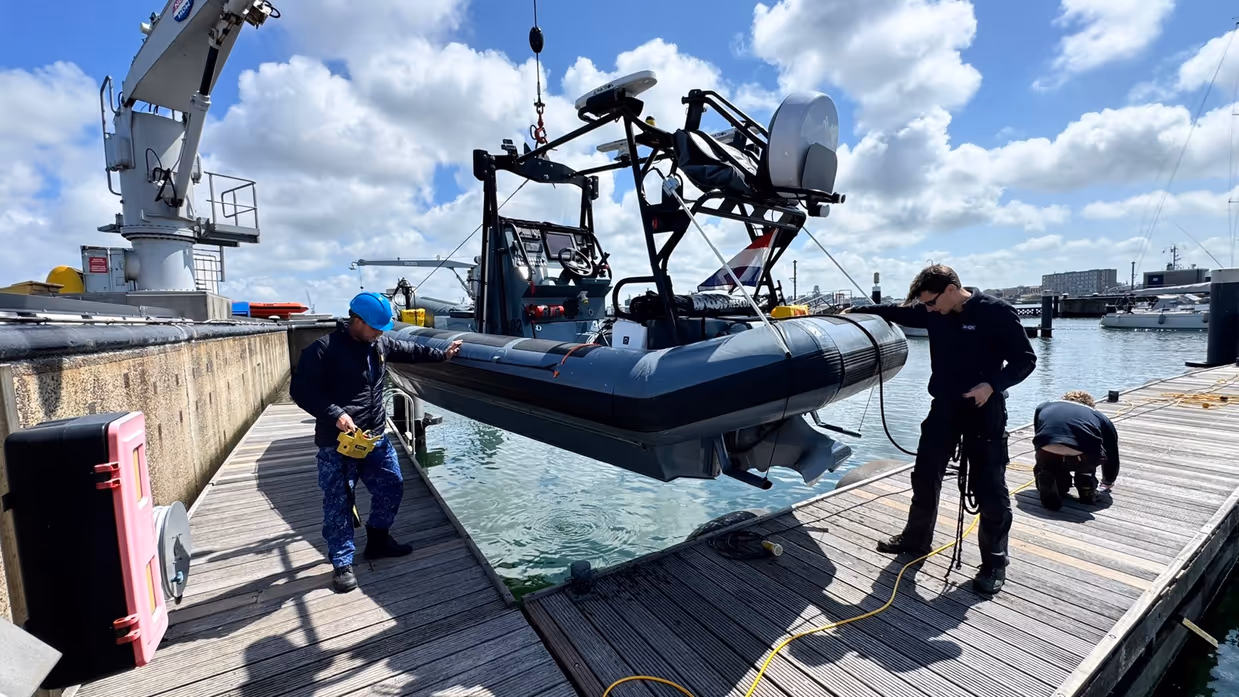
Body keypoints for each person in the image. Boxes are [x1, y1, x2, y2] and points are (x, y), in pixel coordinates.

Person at [844, 264, 1036, 595]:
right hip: (945, 407)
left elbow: (1026, 359)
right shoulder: (935, 312)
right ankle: (916, 540)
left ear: (950, 288)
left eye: (931, 302)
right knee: (924, 473)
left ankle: (993, 563)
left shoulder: (996, 312)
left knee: (989, 486)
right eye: (926, 305)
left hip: (984, 407)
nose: (929, 309)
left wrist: (992, 384)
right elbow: (895, 311)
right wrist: (855, 311)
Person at [291, 291, 463, 593]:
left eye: (383, 329)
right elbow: (302, 391)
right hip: (338, 442)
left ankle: (379, 539)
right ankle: (342, 563)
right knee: (340, 501)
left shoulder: (379, 342)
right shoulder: (322, 350)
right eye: (374, 327)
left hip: (374, 437)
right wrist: (335, 414)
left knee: (392, 484)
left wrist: (443, 353)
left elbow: (410, 349)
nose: (380, 333)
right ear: (356, 321)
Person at [1031, 390, 1120, 510]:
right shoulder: (1100, 417)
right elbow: (1112, 454)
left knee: (1048, 456)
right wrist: (1108, 481)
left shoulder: (1043, 406)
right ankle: (1086, 481)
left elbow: (1040, 435)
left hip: (1047, 450)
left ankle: (1052, 476)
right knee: (1091, 452)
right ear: (1090, 405)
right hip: (1082, 456)